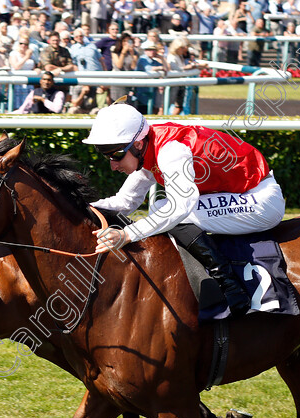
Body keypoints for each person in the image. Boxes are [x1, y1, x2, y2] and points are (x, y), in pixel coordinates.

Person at [83, 103, 285, 316]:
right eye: (107, 156)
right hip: (240, 194)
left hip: (260, 200)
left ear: (138, 144)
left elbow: (180, 206)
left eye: (116, 155)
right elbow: (125, 202)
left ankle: (230, 285)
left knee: (166, 209)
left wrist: (126, 234)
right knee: (160, 208)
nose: (113, 165)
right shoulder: (148, 147)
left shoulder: (170, 151)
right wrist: (81, 205)